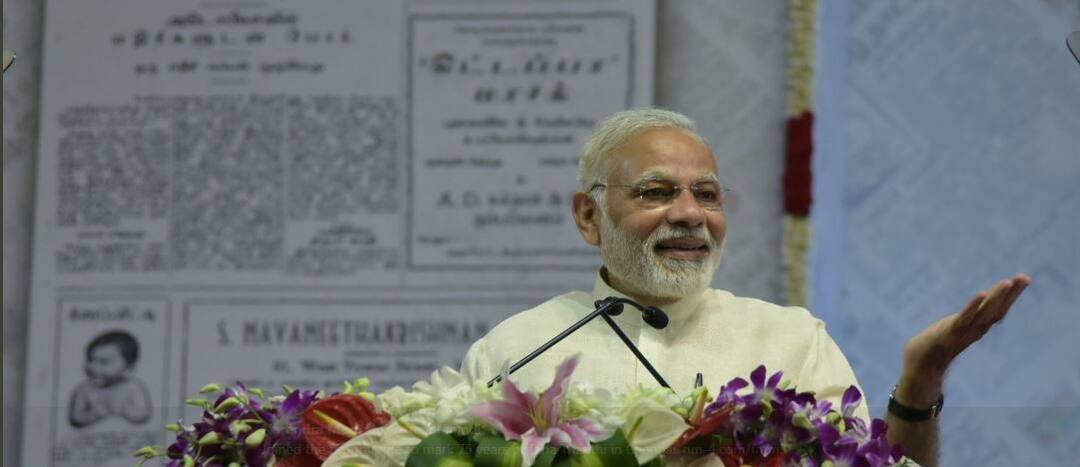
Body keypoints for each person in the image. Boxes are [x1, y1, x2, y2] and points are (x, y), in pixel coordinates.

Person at [460, 108, 1029, 466]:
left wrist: (921, 377)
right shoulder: (516, 349)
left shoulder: (791, 339)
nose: (690, 214)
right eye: (656, 192)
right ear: (590, 216)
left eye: (707, 195)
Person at [68, 329, 152, 428]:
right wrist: (93, 415)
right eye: (90, 360)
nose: (93, 367)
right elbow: (76, 417)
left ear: (129, 368)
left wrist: (124, 412)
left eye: (104, 362)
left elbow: (143, 414)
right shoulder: (84, 389)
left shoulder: (134, 388)